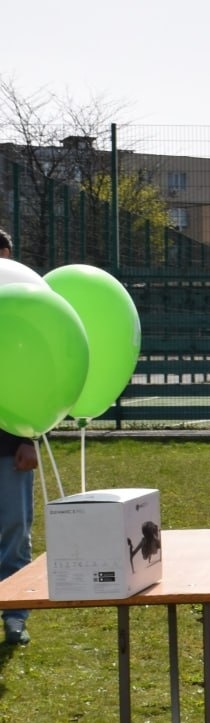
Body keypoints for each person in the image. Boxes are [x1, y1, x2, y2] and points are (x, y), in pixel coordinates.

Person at [1, 228, 37, 647]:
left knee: (14, 530)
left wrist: (32, 436)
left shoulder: (27, 317)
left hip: (11, 447)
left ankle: (14, 615)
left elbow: (39, 381)